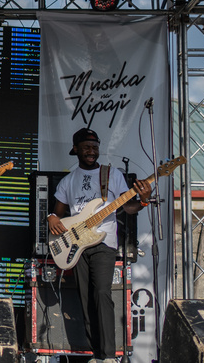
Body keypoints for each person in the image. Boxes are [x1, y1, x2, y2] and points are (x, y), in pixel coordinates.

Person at [47, 127, 151, 363]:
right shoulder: (68, 181)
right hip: (77, 244)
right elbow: (58, 214)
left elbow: (128, 207)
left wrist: (143, 201)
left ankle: (108, 356)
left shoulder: (112, 175)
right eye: (86, 147)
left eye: (95, 147)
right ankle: (96, 354)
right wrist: (51, 217)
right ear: (76, 150)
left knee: (102, 293)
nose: (92, 151)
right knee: (85, 298)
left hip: (104, 242)